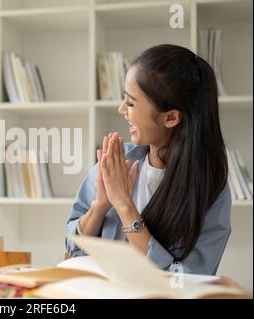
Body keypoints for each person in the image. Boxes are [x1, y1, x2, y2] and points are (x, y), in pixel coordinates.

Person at [65, 44, 231, 275]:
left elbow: (184, 278)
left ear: (171, 117)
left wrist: (124, 205)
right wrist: (100, 207)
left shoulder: (211, 189)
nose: (121, 109)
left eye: (131, 103)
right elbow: (72, 249)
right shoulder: (118, 161)